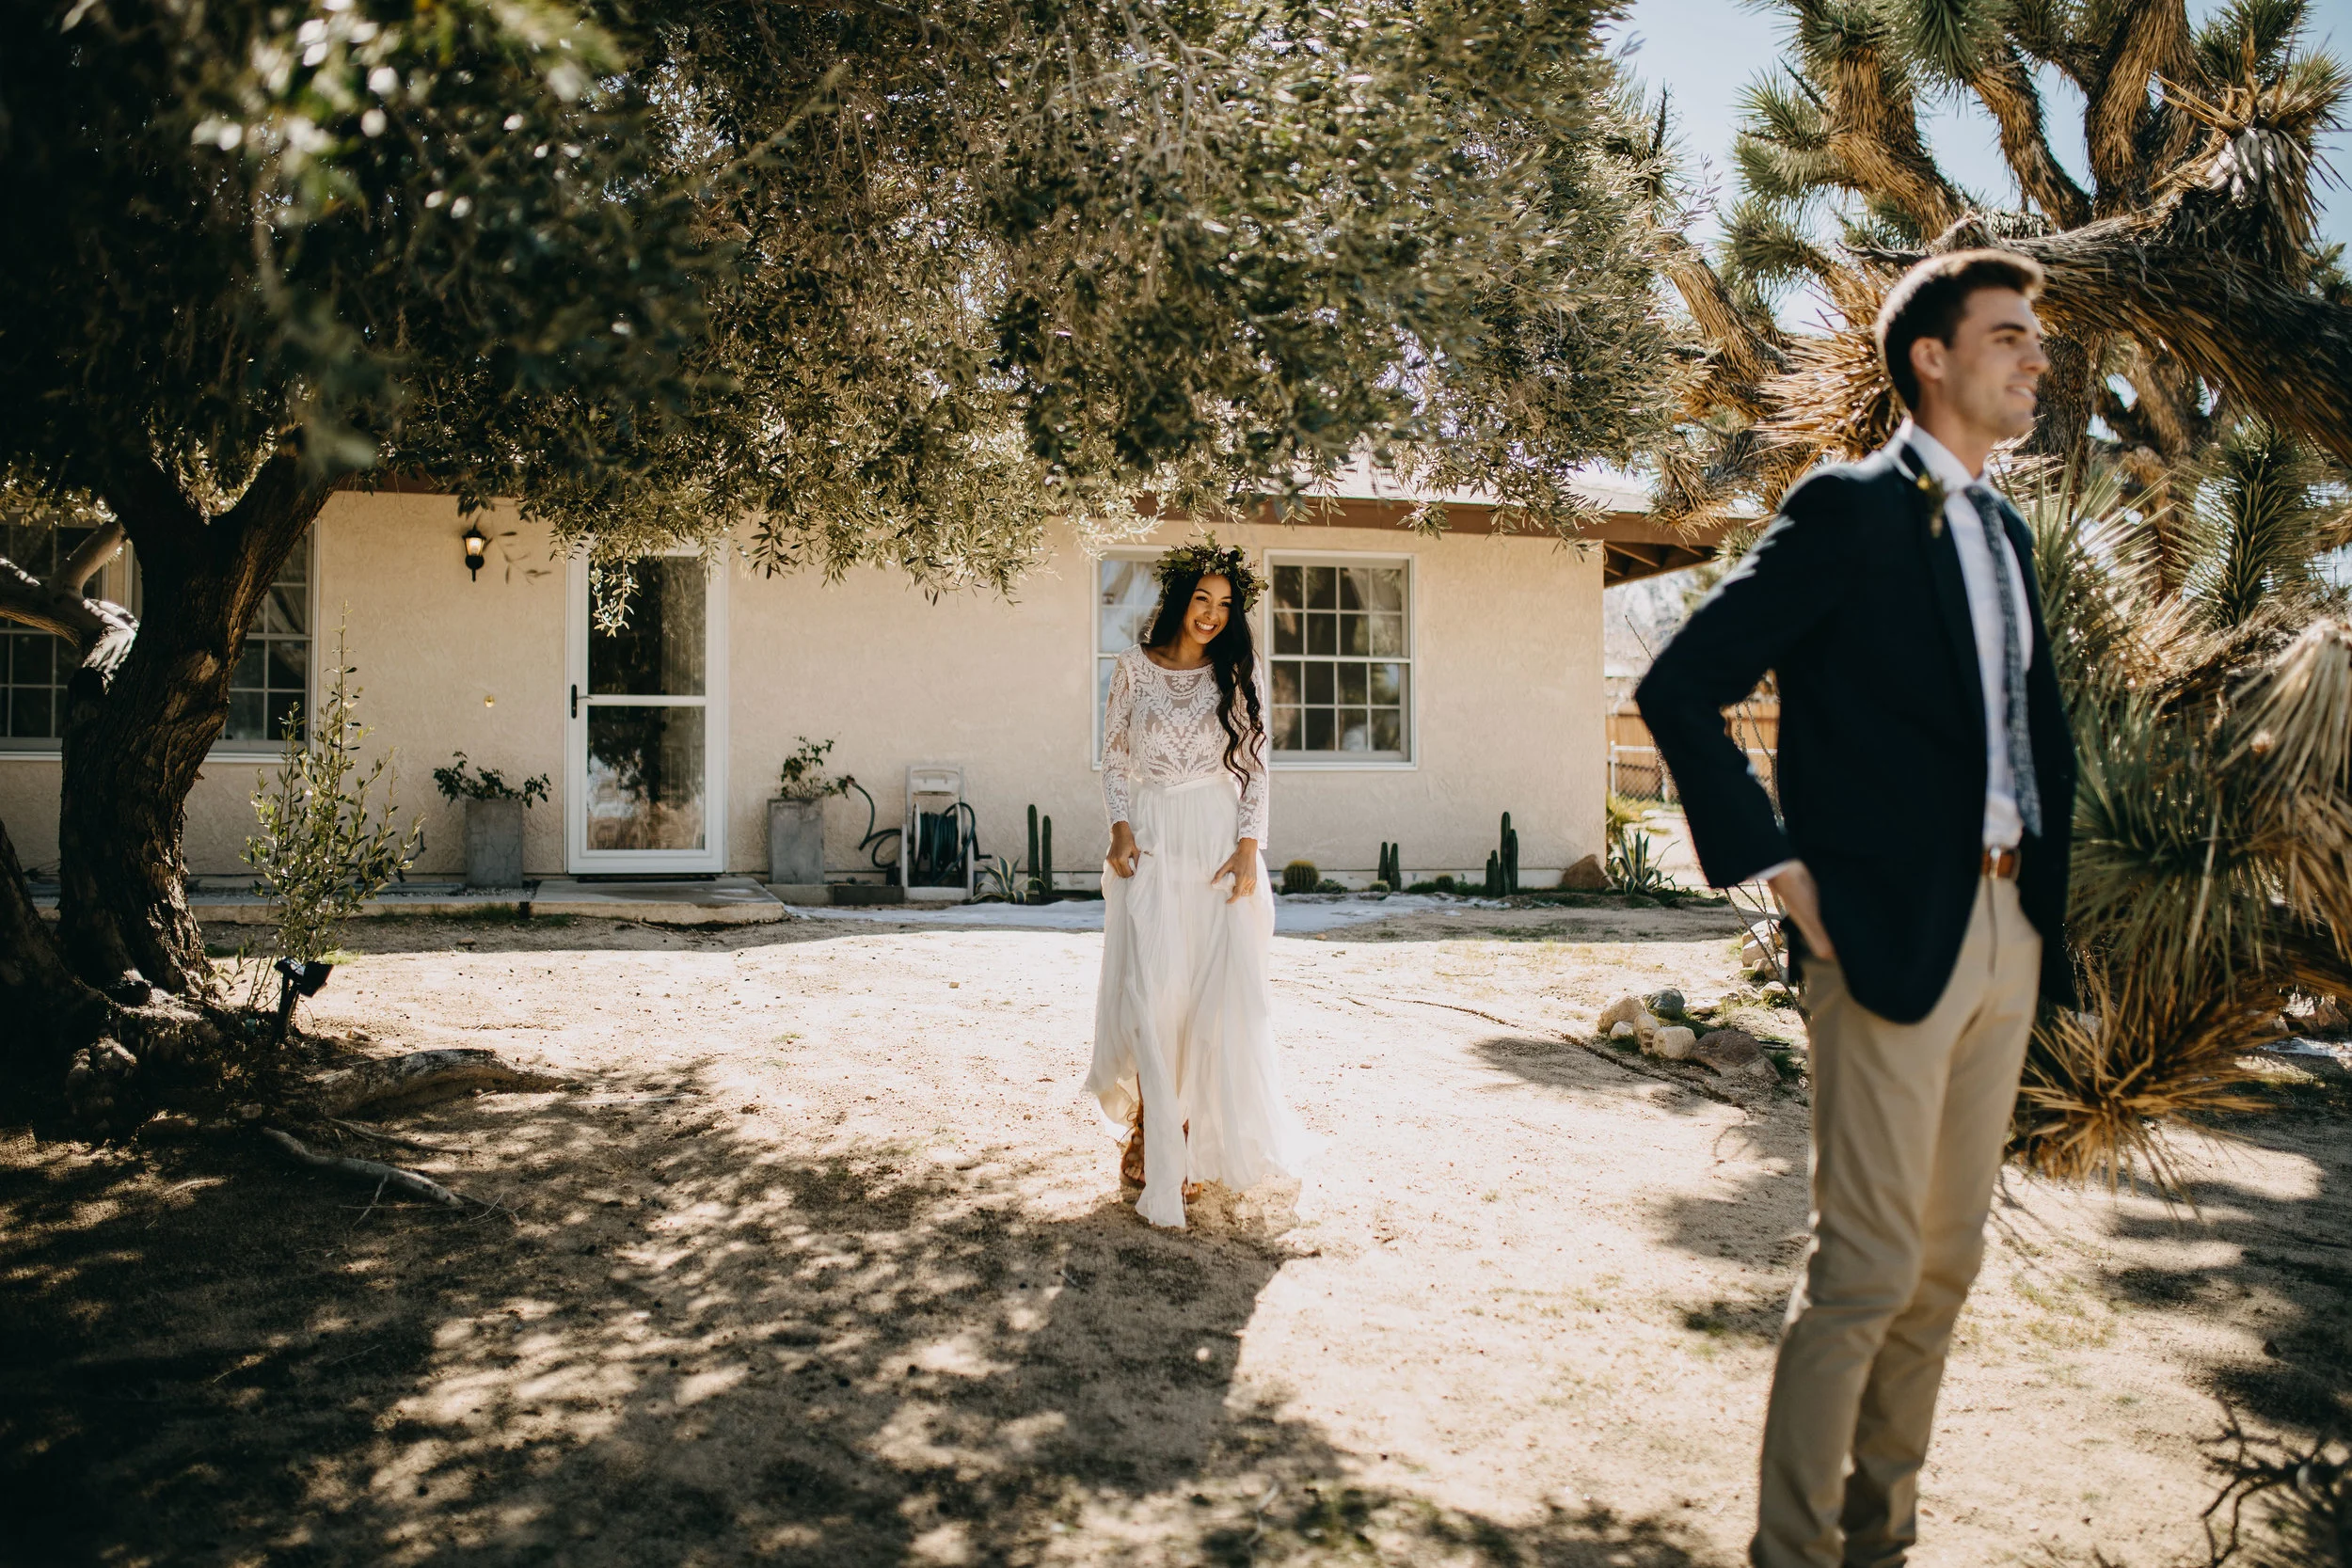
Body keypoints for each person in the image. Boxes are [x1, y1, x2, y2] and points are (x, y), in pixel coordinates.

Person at [1636, 249, 2078, 1568]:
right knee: (1868, 1271)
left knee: (1946, 1268)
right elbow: (1681, 685)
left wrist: (2048, 915)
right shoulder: (1847, 508)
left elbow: (2027, 736)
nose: (2035, 359)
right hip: (1881, 933)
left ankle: (1880, 1541)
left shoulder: (2002, 529)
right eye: (2009, 337)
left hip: (2007, 930)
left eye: (2037, 339)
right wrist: (1779, 865)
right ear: (1931, 358)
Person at [1088, 538, 1315, 1228]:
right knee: (1153, 988)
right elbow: (1114, 760)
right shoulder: (1133, 668)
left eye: (1225, 605)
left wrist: (1250, 848)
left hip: (1216, 843)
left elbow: (1255, 766)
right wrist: (1119, 826)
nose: (1212, 615)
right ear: (1180, 598)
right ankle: (1150, 1124)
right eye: (1201, 600)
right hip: (1153, 840)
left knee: (1209, 999)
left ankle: (1183, 1135)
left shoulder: (1237, 672)